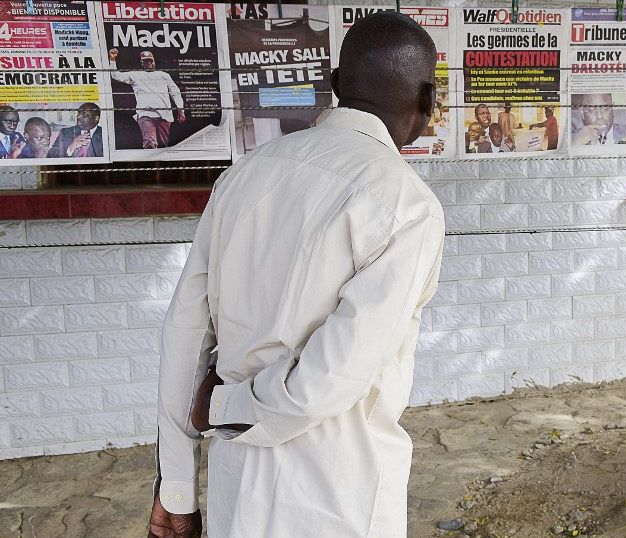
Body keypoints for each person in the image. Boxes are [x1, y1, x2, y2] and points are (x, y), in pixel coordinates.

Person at [151, 12, 444, 538]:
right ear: (428, 101)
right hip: (336, 495)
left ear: (333, 85)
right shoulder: (405, 205)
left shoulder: (243, 177)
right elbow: (327, 380)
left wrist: (176, 488)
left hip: (235, 483)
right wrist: (223, 406)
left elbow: (184, 336)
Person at [109, 49, 186, 149]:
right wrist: (112, 59)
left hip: (164, 115)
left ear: (154, 61)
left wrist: (181, 109)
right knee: (150, 142)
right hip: (145, 114)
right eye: (146, 61)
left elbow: (175, 92)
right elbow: (116, 75)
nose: (149, 63)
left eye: (150, 60)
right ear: (142, 62)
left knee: (164, 144)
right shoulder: (135, 75)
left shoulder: (164, 75)